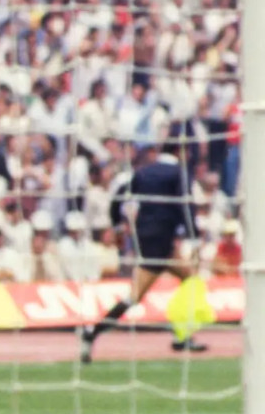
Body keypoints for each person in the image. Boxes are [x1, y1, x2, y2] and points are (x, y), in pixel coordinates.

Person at [80, 125, 208, 362]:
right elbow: (186, 206)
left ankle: (182, 335)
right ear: (181, 152)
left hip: (148, 240)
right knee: (137, 296)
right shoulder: (178, 174)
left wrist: (118, 225)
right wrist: (194, 236)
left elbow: (117, 196)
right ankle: (92, 332)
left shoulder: (144, 172)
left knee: (190, 278)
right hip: (161, 244)